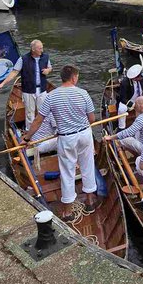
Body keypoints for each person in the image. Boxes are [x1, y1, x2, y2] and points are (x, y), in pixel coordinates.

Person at [35, 65, 98, 219]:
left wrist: (27, 137)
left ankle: (68, 212)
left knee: (67, 172)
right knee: (87, 167)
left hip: (66, 137)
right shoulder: (83, 93)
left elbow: (38, 119)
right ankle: (90, 202)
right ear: (73, 77)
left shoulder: (51, 96)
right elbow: (92, 119)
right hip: (84, 134)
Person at [0, 39, 52, 126]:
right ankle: (29, 132)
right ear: (33, 49)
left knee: (44, 111)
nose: (42, 50)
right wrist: (2, 84)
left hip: (42, 89)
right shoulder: (23, 59)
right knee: (30, 113)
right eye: (40, 48)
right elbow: (14, 72)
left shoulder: (45, 57)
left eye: (42, 48)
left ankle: (44, 129)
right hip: (28, 90)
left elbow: (50, 67)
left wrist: (48, 70)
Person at [20, 91, 57, 156]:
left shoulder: (44, 111)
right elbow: (60, 131)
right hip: (42, 144)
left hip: (36, 141)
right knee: (65, 138)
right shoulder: (53, 113)